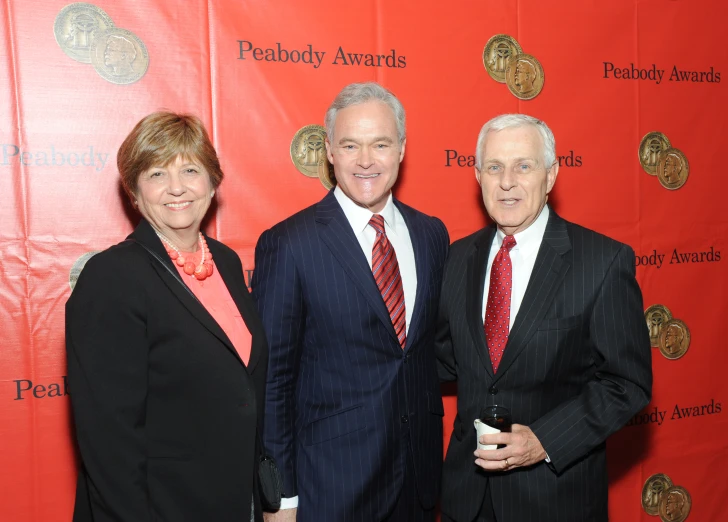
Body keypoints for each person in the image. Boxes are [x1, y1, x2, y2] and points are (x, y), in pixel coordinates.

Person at [436, 114, 652, 521]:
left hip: (555, 500)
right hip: (466, 499)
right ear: (478, 174)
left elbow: (628, 383)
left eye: (524, 166)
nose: (507, 182)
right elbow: (445, 357)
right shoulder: (457, 257)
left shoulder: (601, 262)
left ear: (551, 175)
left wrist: (543, 440)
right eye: (495, 167)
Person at [251, 82, 449, 522]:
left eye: (380, 143)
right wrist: (280, 498)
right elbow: (272, 383)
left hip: (418, 481)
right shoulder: (289, 244)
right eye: (350, 145)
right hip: (331, 488)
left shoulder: (432, 234)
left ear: (401, 148)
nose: (365, 160)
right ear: (329, 151)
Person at [66, 111, 269, 521]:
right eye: (157, 174)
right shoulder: (112, 277)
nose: (177, 188)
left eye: (191, 170)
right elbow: (109, 440)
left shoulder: (226, 262)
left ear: (213, 182)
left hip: (232, 501)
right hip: (159, 509)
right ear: (134, 191)